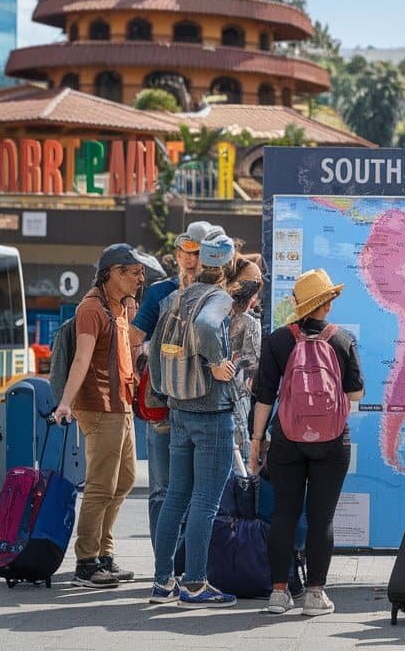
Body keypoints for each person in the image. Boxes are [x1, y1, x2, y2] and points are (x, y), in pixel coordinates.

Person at [250, 268, 364, 616]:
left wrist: (257, 441)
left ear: (299, 305)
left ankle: (278, 593)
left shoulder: (278, 341)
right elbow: (356, 392)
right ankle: (315, 594)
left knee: (284, 514)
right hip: (331, 441)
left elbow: (264, 397)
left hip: (287, 438)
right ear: (327, 304)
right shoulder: (342, 339)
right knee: (321, 518)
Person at [149, 232, 240, 608]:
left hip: (180, 408)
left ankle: (162, 582)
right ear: (228, 266)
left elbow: (155, 348)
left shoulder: (179, 294)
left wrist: (163, 388)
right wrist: (218, 364)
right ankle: (196, 584)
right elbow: (205, 326)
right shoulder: (219, 298)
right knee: (205, 502)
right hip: (211, 413)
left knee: (176, 497)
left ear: (201, 262)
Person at [51, 243, 146, 588]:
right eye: (134, 273)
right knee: (100, 486)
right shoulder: (91, 309)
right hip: (99, 406)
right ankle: (86, 562)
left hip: (121, 403)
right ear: (114, 273)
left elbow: (130, 353)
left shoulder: (119, 307)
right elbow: (81, 359)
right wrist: (65, 403)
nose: (140, 279)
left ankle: (104, 554)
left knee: (124, 481)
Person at [133, 221, 215, 551]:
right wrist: (153, 356)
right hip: (166, 404)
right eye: (186, 250)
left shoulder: (218, 294)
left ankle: (192, 562)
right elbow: (134, 340)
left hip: (205, 404)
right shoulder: (160, 293)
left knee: (204, 491)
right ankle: (163, 562)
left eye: (198, 252)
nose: (190, 258)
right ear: (178, 253)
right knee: (163, 489)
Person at [227, 279, 262, 455]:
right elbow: (254, 358)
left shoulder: (225, 317)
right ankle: (243, 477)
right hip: (240, 387)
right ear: (252, 299)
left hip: (219, 384)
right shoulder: (250, 322)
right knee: (241, 434)